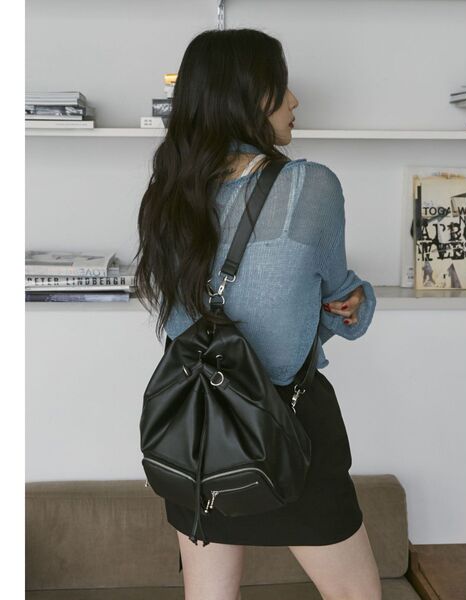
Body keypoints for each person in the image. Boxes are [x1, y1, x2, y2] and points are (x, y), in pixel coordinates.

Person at [135, 27, 381, 600]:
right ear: (244, 97)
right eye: (280, 87)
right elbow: (324, 310)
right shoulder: (307, 186)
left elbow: (191, 321)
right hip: (286, 428)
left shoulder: (169, 191)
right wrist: (355, 303)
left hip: (195, 426)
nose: (294, 100)